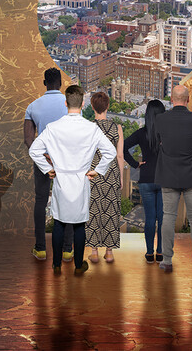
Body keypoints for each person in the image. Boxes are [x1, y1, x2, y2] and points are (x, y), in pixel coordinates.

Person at [29, 85, 116, 275]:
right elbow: (111, 152)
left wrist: (48, 169)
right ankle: (78, 265)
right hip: (81, 179)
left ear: (65, 103)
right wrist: (97, 171)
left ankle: (57, 264)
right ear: (83, 103)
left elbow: (34, 150)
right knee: (78, 225)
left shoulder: (53, 128)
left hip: (61, 179)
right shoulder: (91, 128)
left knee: (59, 222)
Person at [155, 85, 192, 273]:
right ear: (188, 99)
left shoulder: (161, 119)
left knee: (168, 217)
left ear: (171, 99)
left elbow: (158, 140)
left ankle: (167, 261)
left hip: (169, 175)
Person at [24, 68, 73, 262]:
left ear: (45, 83)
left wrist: (43, 155)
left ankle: (40, 248)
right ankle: (67, 249)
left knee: (41, 200)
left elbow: (28, 138)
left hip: (42, 160)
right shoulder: (70, 106)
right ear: (60, 84)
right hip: (66, 159)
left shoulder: (33, 106)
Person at [123, 100, 165, 264]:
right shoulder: (167, 134)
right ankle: (160, 252)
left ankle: (149, 253)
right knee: (162, 219)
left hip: (146, 179)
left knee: (149, 218)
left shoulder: (141, 133)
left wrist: (135, 164)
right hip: (164, 180)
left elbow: (123, 146)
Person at [85, 92, 124, 264]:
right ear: (108, 107)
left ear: (92, 107)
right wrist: (121, 178)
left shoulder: (87, 128)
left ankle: (94, 252)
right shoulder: (117, 128)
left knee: (93, 211)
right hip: (112, 173)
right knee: (111, 211)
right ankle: (109, 253)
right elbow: (120, 156)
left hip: (92, 174)